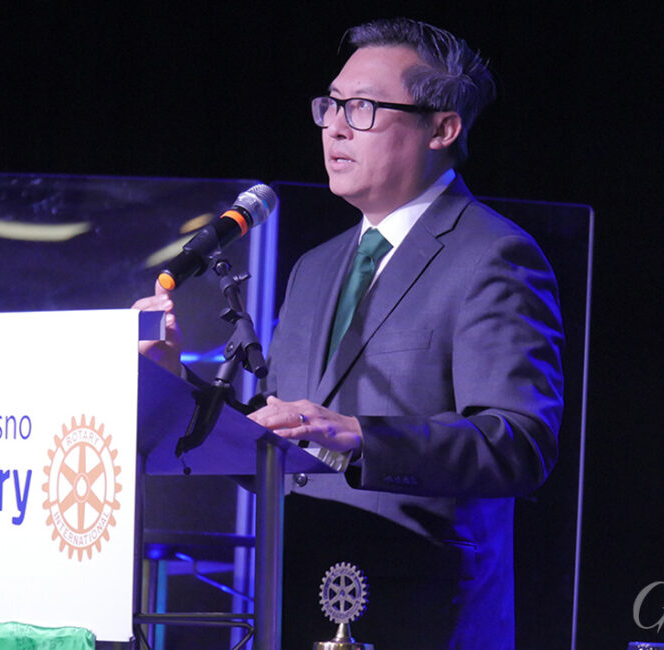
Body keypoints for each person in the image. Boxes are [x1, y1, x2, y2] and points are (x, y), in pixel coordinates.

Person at [135, 17, 563, 649]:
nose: (334, 125)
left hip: (421, 614)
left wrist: (361, 436)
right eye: (330, 105)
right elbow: (275, 441)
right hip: (295, 607)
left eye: (361, 107)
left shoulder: (494, 255)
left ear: (442, 127)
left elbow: (519, 444)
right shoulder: (315, 267)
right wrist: (172, 381)